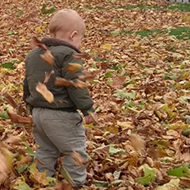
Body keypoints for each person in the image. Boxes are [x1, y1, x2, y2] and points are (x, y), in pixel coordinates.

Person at [23, 9, 95, 188]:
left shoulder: (33, 55)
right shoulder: (69, 54)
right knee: (74, 152)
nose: (79, 44)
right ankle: (75, 184)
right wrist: (87, 109)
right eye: (80, 39)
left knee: (46, 150)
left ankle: (42, 180)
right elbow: (76, 85)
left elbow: (28, 82)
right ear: (73, 35)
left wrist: (29, 106)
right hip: (61, 115)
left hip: (38, 113)